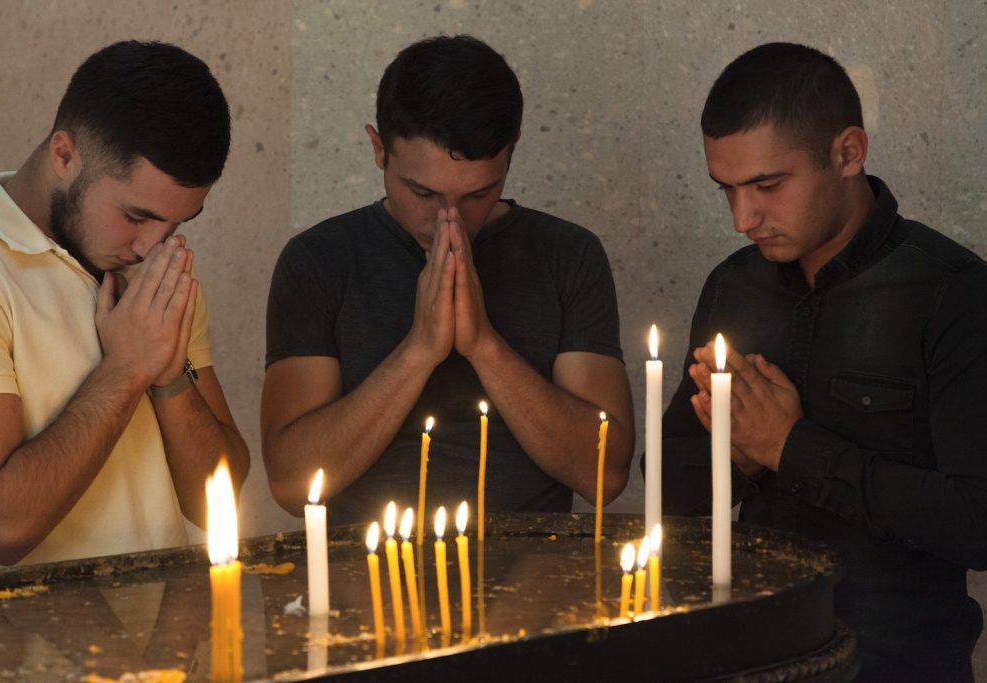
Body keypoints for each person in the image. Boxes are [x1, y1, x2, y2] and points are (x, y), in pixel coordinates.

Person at [661, 42, 986, 680]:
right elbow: (669, 487)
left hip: (897, 664)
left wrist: (791, 448)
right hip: (749, 652)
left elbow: (979, 523)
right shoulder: (733, 287)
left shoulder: (954, 294)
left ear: (847, 152)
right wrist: (736, 452)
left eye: (766, 186)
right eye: (726, 189)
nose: (741, 218)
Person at [263, 35, 634, 526]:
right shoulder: (319, 260)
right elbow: (291, 485)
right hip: (365, 577)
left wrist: (484, 345)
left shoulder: (568, 254)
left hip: (536, 580)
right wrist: (419, 351)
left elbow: (604, 476)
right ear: (379, 149)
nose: (450, 220)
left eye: (480, 193)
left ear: (511, 154)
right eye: (422, 192)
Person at [0, 41, 250, 572]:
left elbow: (219, 497)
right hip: (26, 649)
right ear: (65, 155)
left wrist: (169, 377)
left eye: (178, 223)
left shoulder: (154, 275)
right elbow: (1, 528)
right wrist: (125, 369)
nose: (152, 245)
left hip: (167, 649)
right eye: (137, 216)